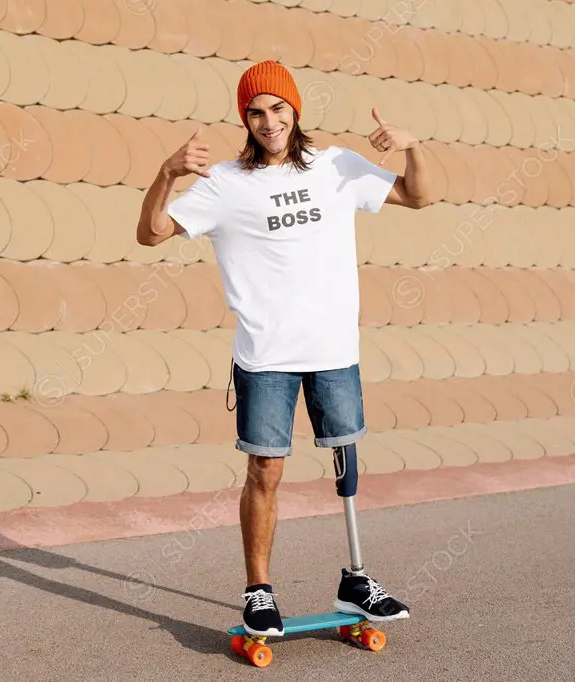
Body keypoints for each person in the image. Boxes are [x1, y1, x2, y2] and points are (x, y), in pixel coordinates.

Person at [135, 60, 434, 637]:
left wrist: (412, 146)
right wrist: (167, 174)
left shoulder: (337, 167)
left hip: (333, 349)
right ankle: (259, 592)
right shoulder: (225, 183)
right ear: (244, 120)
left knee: (346, 455)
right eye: (255, 111)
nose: (268, 121)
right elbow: (151, 233)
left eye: (277, 108)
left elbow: (419, 197)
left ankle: (356, 579)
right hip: (267, 356)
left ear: (295, 110)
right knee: (265, 470)